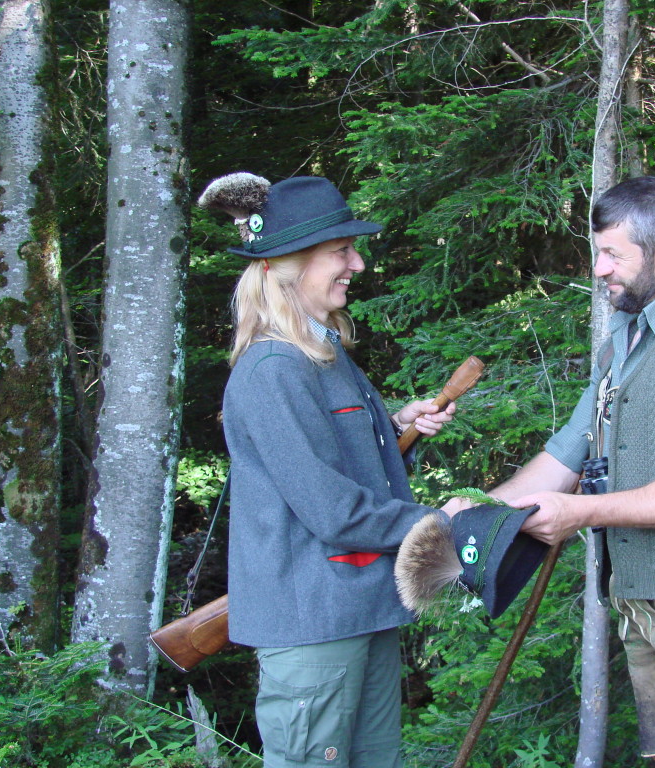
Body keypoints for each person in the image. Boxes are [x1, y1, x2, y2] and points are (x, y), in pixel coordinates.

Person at [452, 176, 655, 768]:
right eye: (596, 251)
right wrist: (473, 510)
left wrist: (581, 513)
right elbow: (562, 459)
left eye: (612, 254)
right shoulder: (623, 343)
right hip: (640, 601)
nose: (598, 268)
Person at [198, 173, 457, 768]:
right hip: (315, 624)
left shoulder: (322, 351)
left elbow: (335, 464)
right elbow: (332, 510)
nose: (357, 264)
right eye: (341, 251)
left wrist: (396, 432)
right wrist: (442, 520)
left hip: (358, 610)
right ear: (288, 266)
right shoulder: (272, 369)